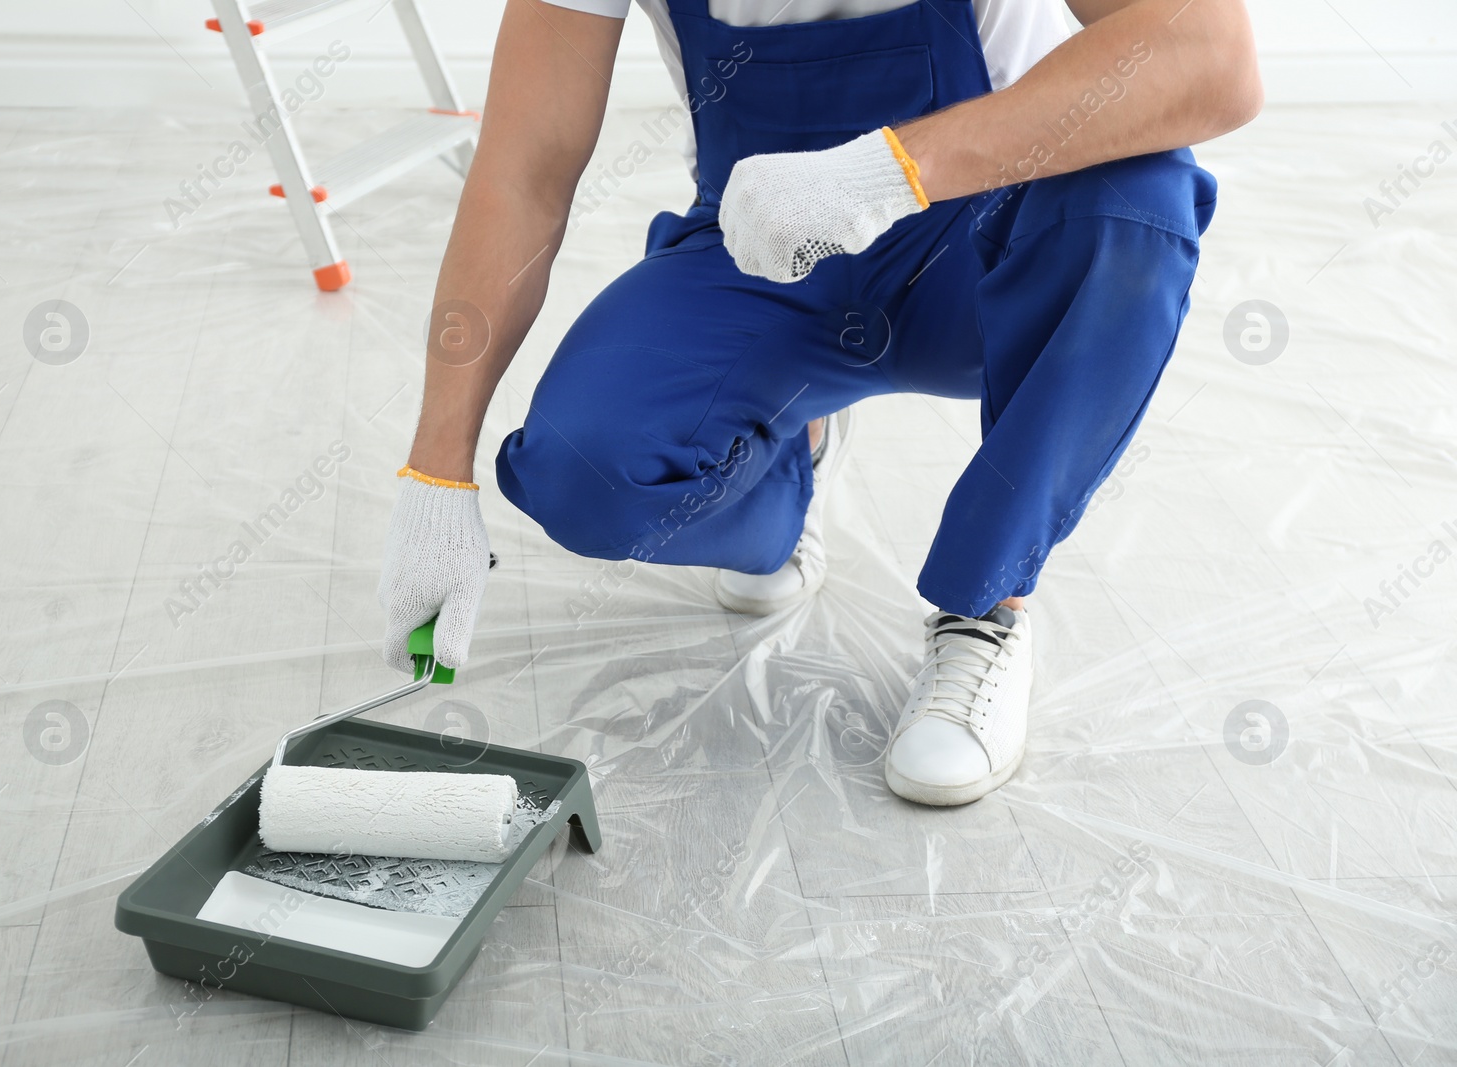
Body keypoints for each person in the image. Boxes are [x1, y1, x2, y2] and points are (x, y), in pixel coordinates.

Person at [377, 0, 1261, 804]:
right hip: (765, 252)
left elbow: (1211, 55)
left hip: (986, 246)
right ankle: (786, 463)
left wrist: (888, 172)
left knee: (1135, 201)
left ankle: (987, 608)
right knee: (586, 471)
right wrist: (437, 467)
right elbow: (523, 172)